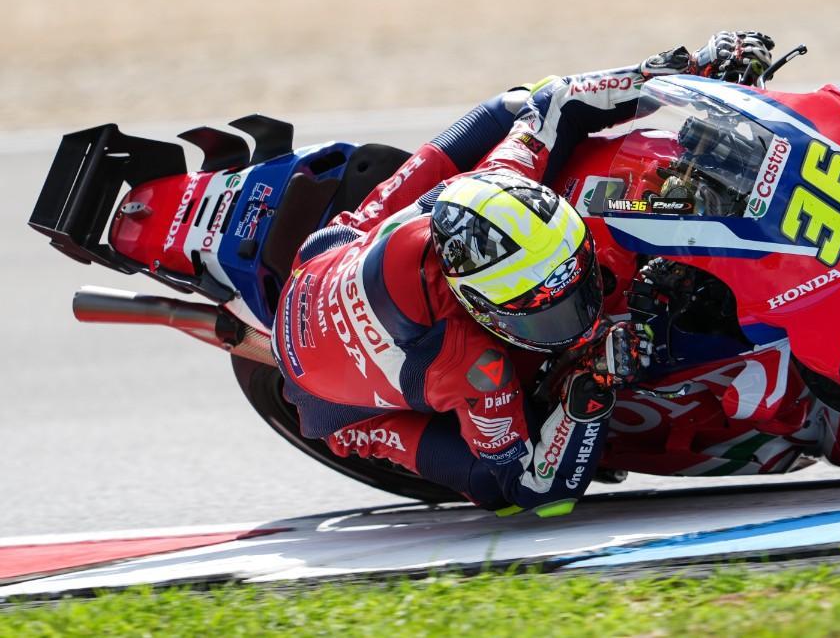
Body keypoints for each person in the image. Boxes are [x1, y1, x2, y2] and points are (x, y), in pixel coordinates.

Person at [272, 31, 775, 516]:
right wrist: (592, 381)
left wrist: (684, 71)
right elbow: (539, 489)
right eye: (547, 312)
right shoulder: (472, 364)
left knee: (516, 107)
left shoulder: (501, 178)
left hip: (335, 248)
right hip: (328, 396)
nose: (579, 312)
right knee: (498, 488)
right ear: (479, 309)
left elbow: (558, 99)